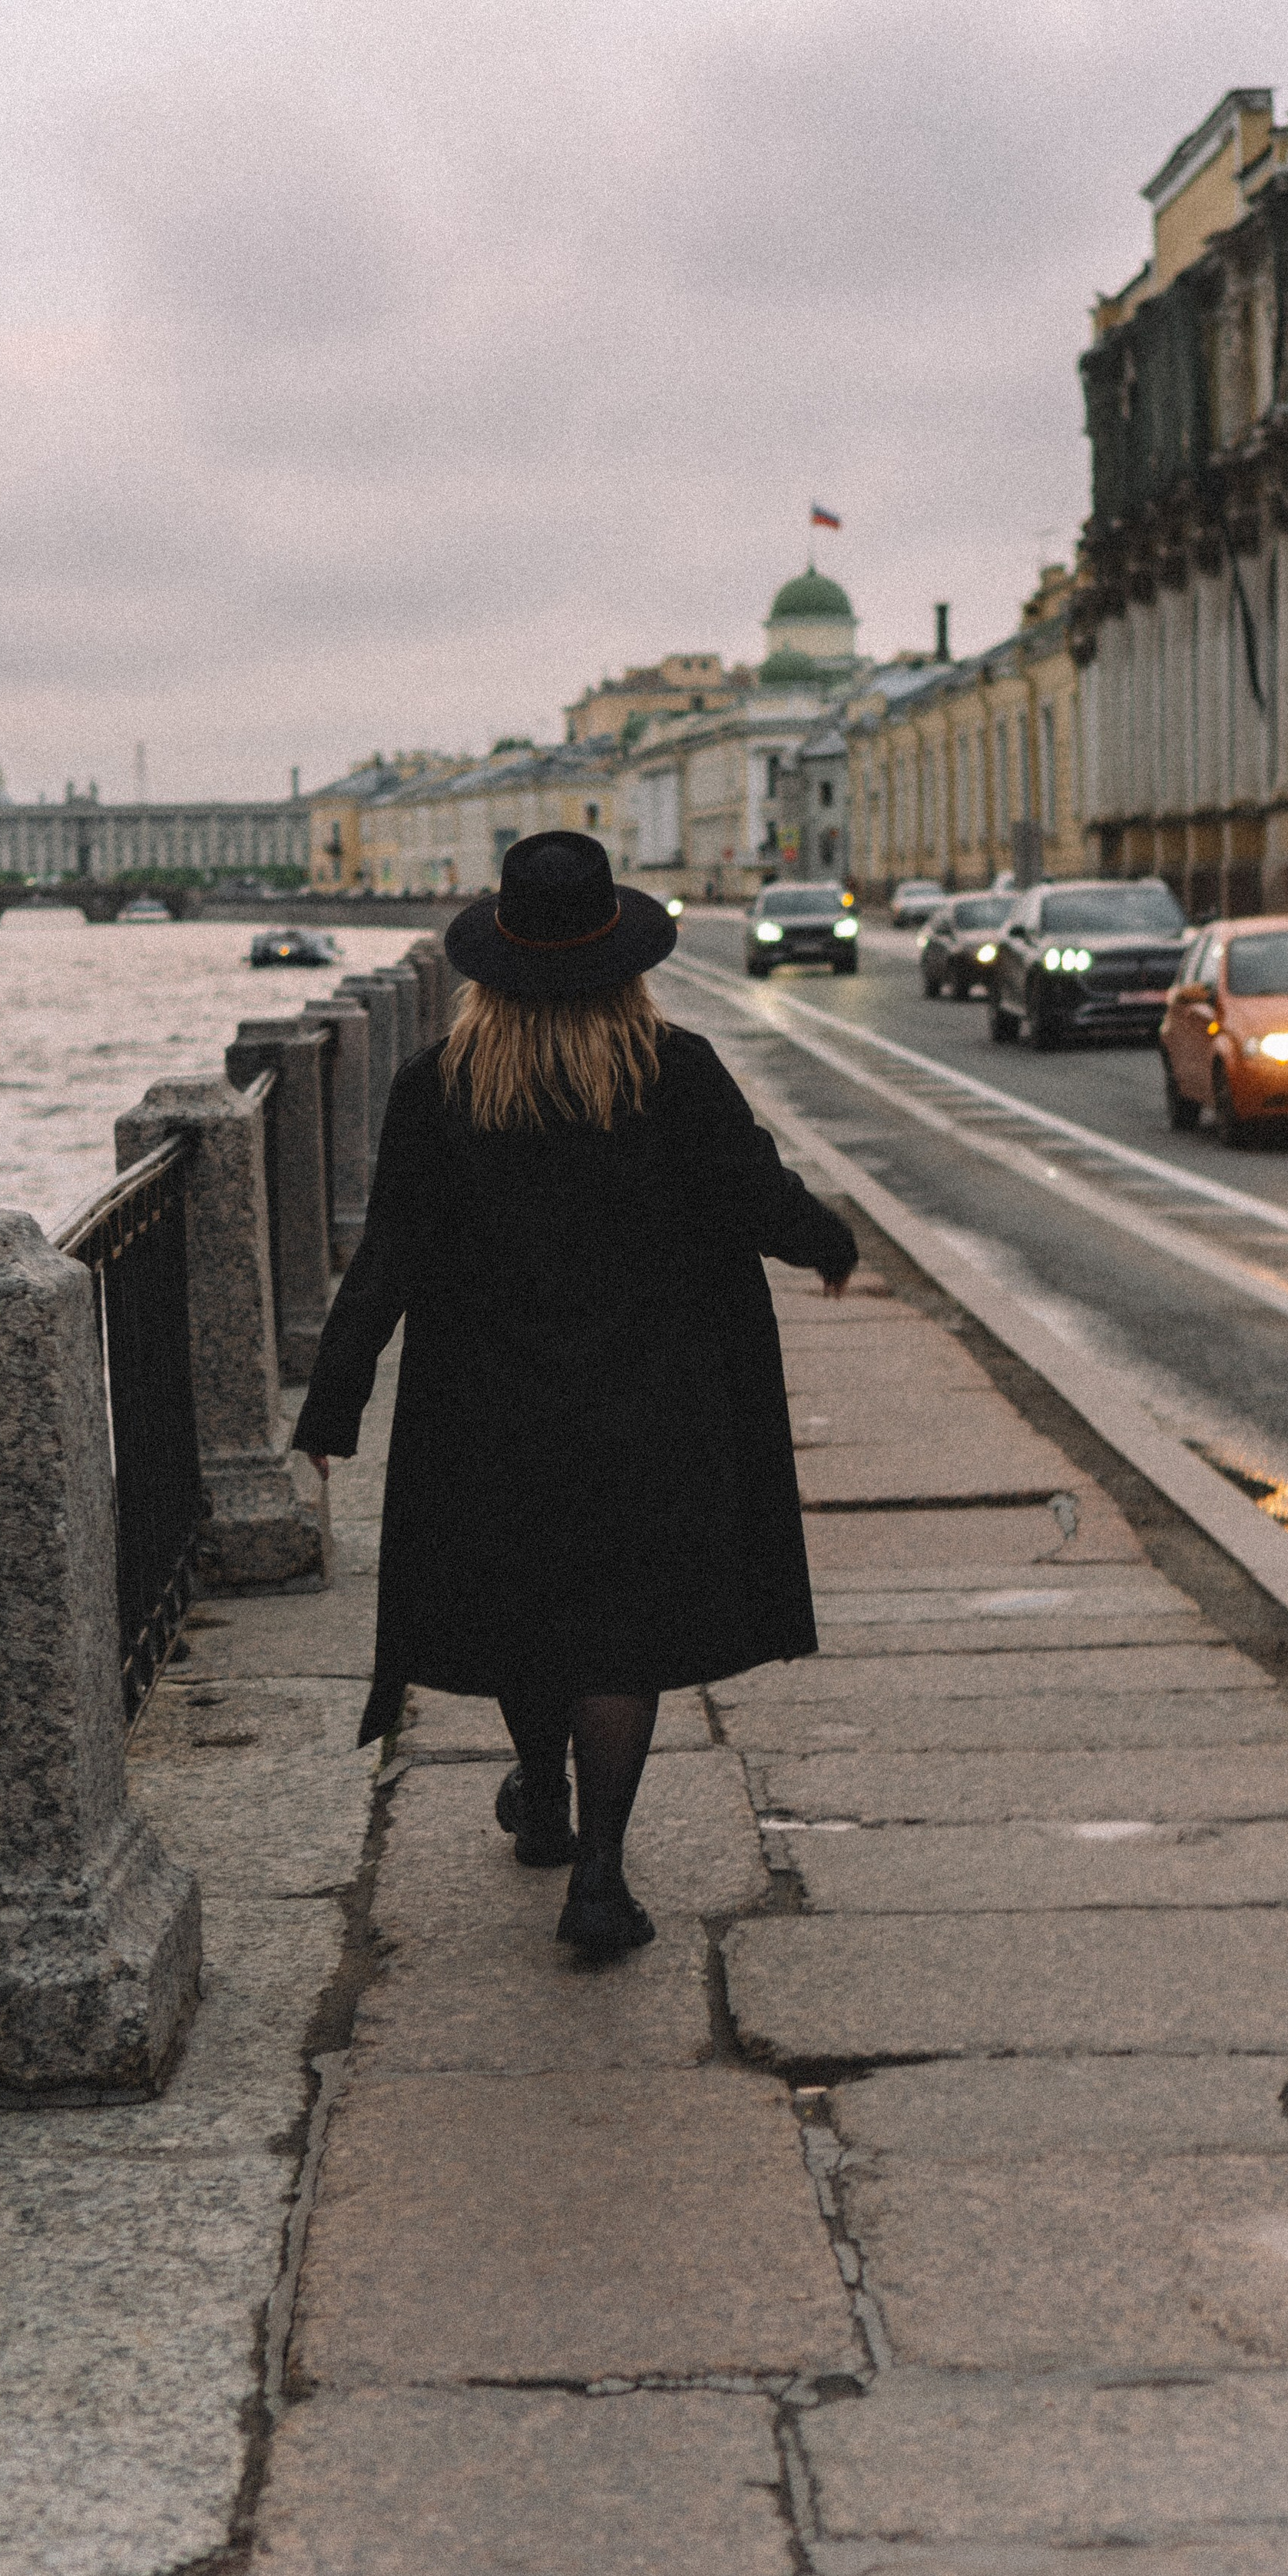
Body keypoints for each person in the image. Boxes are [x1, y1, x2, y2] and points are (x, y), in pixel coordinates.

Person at [291, 830, 858, 1960]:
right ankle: (598, 1877)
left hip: (489, 1411)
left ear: (493, 961)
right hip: (650, 1407)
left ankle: (540, 1792)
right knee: (617, 1637)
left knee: (529, 1609)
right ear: (625, 958)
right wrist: (826, 1244)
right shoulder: (674, 1069)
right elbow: (754, 1193)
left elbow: (388, 1257)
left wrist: (331, 1407)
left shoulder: (437, 1087)